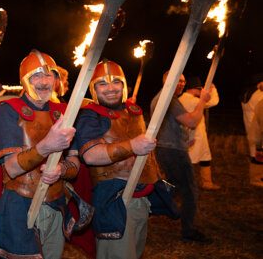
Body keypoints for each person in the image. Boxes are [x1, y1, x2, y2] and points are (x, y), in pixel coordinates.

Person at [0, 49, 78, 259]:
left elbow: (74, 163)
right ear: (24, 80)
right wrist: (46, 146)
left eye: (48, 75)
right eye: (35, 76)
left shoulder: (63, 112)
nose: (43, 81)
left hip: (56, 205)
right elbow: (11, 168)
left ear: (56, 78)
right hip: (19, 206)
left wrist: (61, 170)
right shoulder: (8, 110)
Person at [74, 60, 158, 259]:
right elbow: (90, 155)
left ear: (124, 85)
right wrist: (132, 146)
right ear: (93, 89)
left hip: (141, 197)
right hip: (114, 202)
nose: (111, 88)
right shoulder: (90, 117)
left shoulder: (133, 111)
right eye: (102, 83)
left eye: (116, 82)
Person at [151, 72, 212, 244]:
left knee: (173, 186)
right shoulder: (168, 99)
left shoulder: (163, 98)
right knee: (190, 190)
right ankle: (188, 230)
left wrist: (184, 138)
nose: (181, 84)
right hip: (173, 151)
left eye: (183, 81)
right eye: (177, 81)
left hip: (167, 148)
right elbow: (192, 121)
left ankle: (151, 205)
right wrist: (202, 101)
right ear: (167, 81)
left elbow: (170, 124)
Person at [178, 77, 220, 190]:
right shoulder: (192, 100)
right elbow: (213, 101)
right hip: (194, 134)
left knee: (205, 157)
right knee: (190, 160)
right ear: (195, 89)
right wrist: (213, 89)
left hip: (193, 133)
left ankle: (206, 182)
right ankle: (187, 184)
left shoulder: (181, 99)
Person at [241, 73, 263, 187]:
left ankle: (257, 177)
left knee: (254, 151)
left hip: (249, 123)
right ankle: (256, 178)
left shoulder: (247, 93)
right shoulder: (259, 94)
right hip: (258, 125)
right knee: (259, 152)